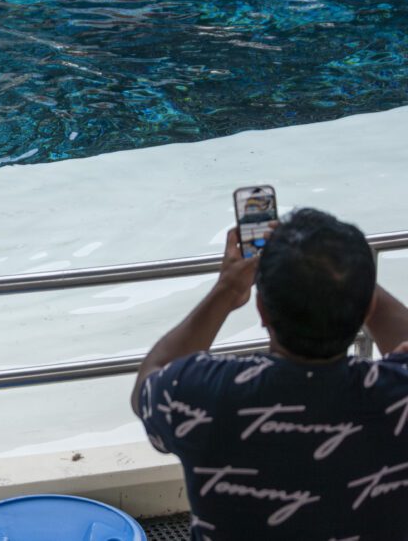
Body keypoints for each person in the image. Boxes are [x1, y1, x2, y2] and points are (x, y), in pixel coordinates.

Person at [133, 207, 408, 540]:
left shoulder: (201, 394)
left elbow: (148, 382)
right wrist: (346, 277)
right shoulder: (397, 393)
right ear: (368, 309)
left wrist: (226, 291)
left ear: (261, 310)